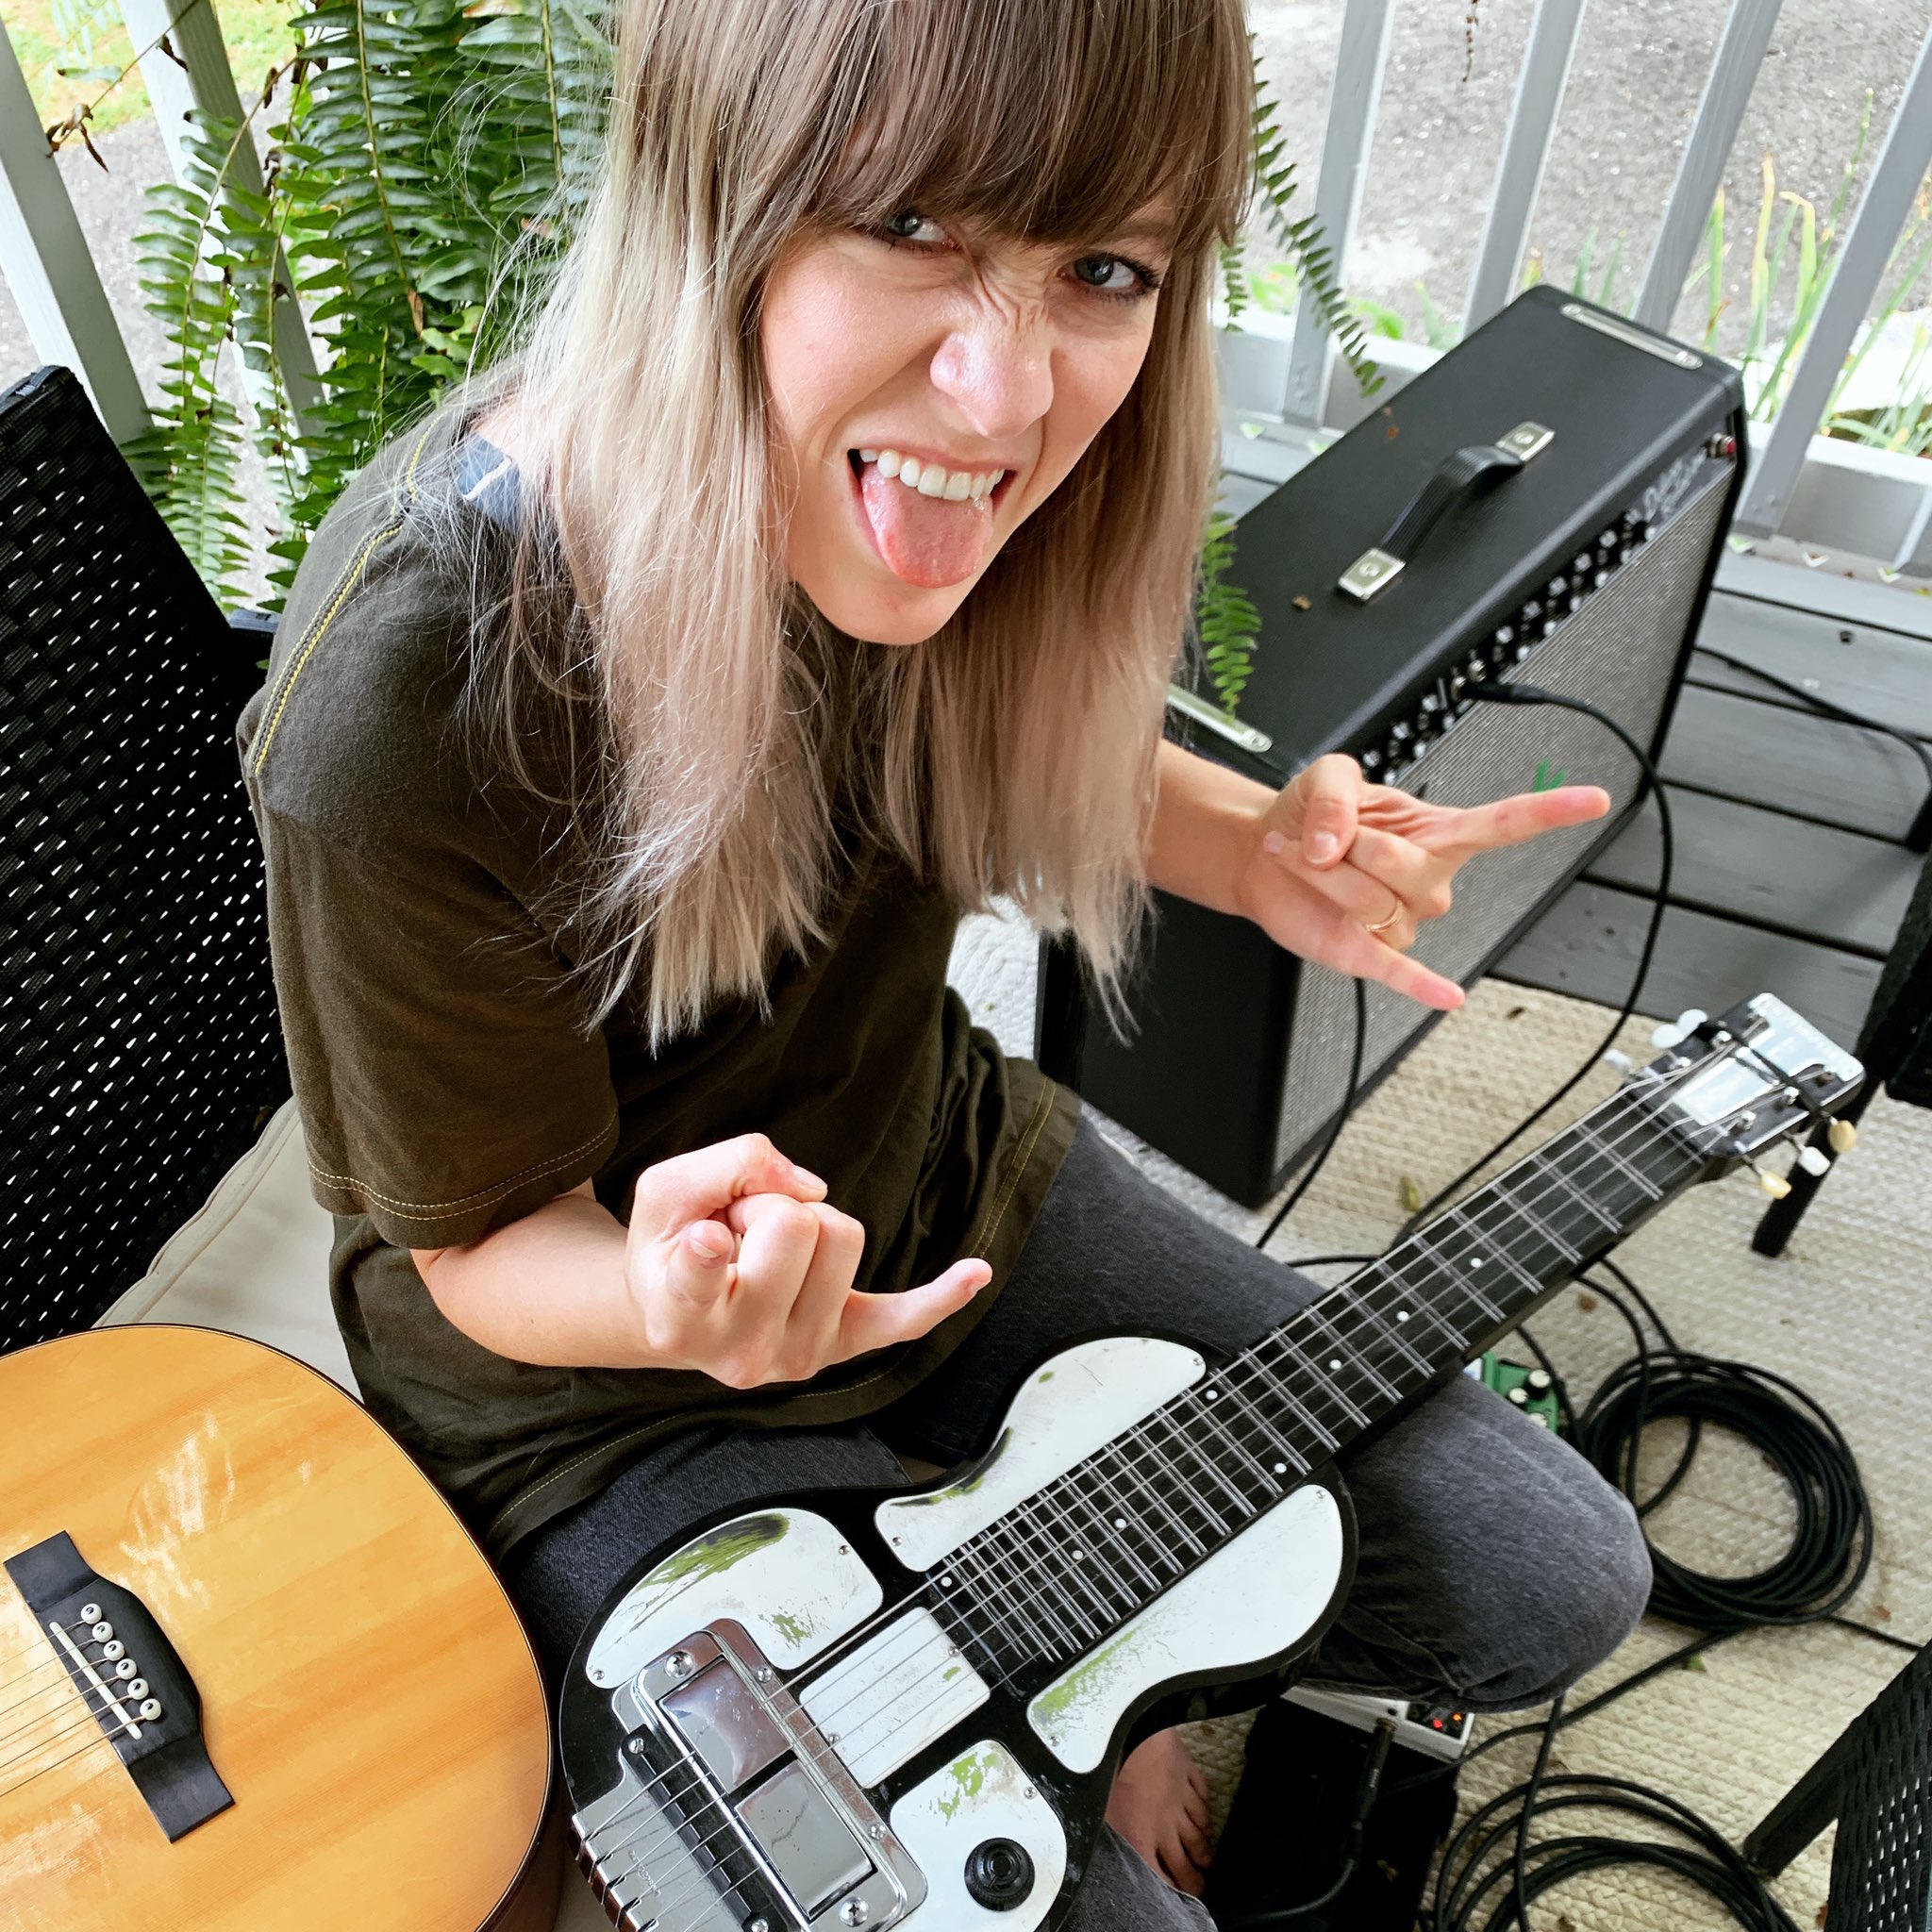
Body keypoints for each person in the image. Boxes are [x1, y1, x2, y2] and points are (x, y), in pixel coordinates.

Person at [238, 0, 1651, 1922]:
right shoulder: (406, 697)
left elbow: (1031, 743)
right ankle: (1012, 1668)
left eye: (1103, 269)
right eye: (909, 224)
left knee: (1553, 1576)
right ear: (712, 202)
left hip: (941, 1173)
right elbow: (481, 1251)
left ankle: (1105, 1669)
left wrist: (1257, 851)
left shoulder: (938, 489)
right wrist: (673, 1297)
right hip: (600, 1392)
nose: (1004, 398)